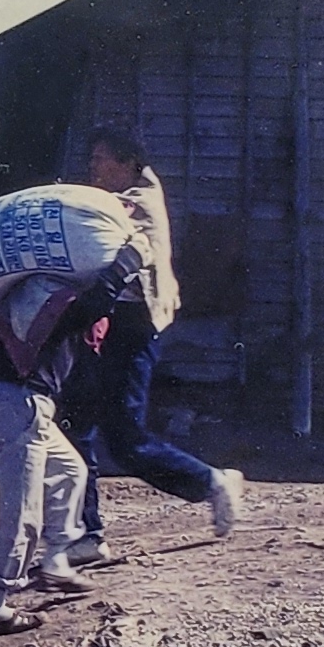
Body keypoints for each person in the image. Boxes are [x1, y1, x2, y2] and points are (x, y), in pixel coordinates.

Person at [67, 125, 242, 559]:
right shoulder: (113, 199)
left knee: (125, 439)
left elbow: (117, 239)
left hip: (133, 325)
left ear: (127, 163)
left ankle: (211, 481)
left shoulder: (139, 201)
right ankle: (86, 534)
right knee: (77, 427)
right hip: (104, 322)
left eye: (101, 158)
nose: (93, 166)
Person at [0, 266, 112, 633]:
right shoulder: (53, 298)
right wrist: (123, 267)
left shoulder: (31, 294)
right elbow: (91, 306)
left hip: (21, 404)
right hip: (22, 405)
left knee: (71, 472)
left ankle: (56, 563)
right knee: (21, 516)